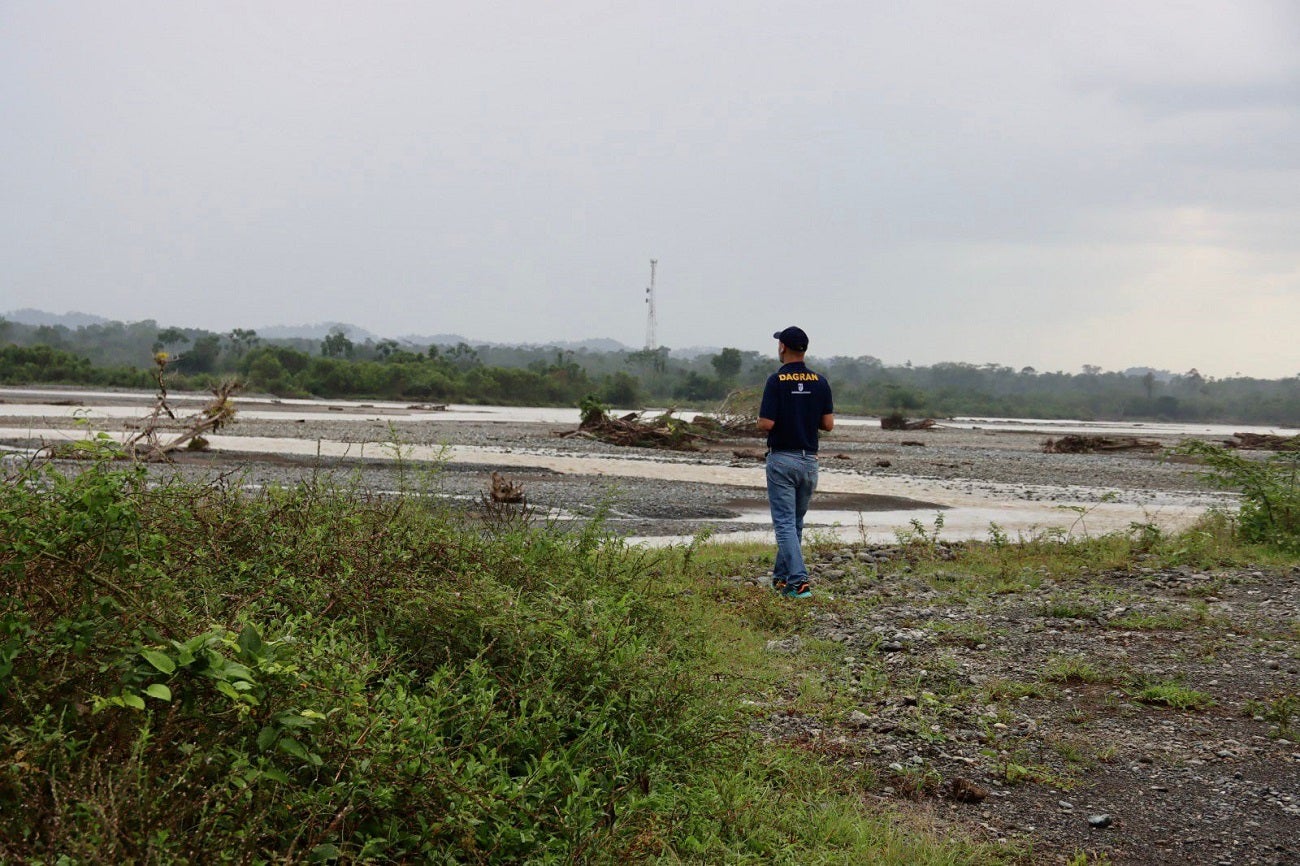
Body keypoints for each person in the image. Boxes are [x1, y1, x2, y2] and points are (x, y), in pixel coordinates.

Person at [758, 326, 834, 598]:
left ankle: (800, 581)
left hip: (782, 460)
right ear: (804, 349)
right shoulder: (821, 382)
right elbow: (828, 425)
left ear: (783, 348)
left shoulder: (775, 381)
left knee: (784, 524)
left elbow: (766, 423)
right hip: (809, 461)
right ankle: (782, 581)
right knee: (795, 523)